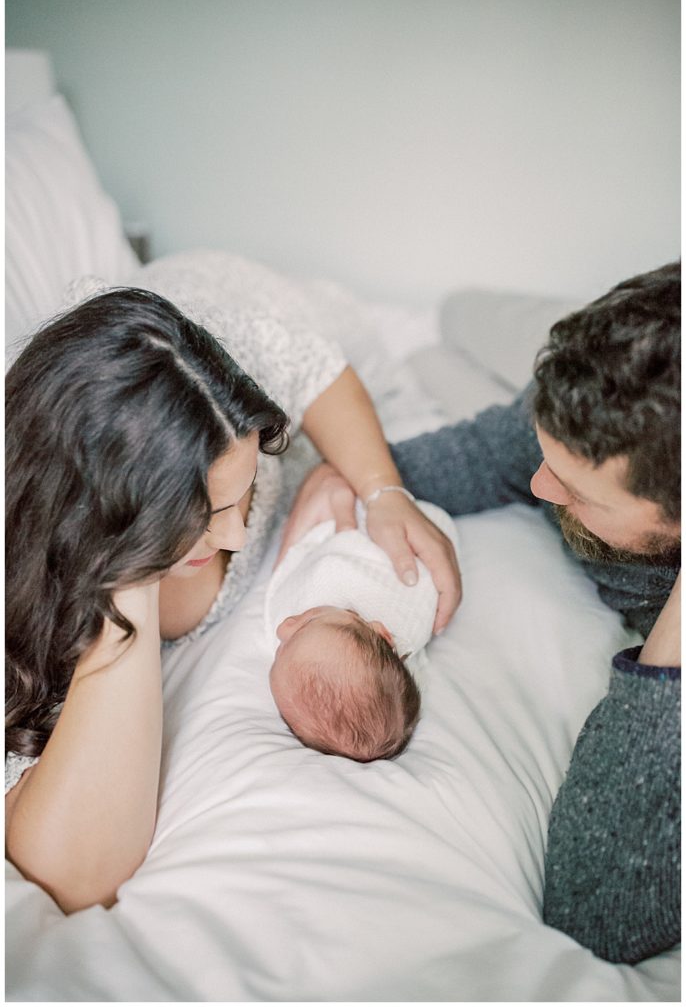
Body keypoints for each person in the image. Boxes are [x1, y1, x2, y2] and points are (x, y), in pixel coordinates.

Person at [5, 256, 461, 915]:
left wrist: (382, 491)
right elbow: (76, 875)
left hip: (236, 285)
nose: (238, 538)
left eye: (241, 499)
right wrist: (128, 583)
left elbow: (312, 371)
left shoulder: (212, 382)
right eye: (202, 518)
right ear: (101, 514)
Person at [282, 262, 680, 964]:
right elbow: (491, 453)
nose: (536, 484)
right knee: (460, 315)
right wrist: (366, 476)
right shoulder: (581, 412)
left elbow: (600, 914)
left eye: (578, 491)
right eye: (547, 452)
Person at [265, 499, 457, 761]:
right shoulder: (409, 617)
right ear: (384, 634)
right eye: (306, 624)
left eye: (279, 653)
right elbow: (434, 554)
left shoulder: (305, 615)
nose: (282, 628)